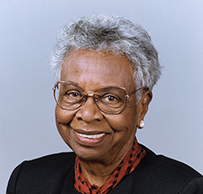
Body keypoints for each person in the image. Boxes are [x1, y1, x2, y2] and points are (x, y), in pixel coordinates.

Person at [7, 14, 203, 194]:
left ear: (142, 107)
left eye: (110, 97)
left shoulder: (183, 189)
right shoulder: (27, 181)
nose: (88, 114)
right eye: (74, 93)